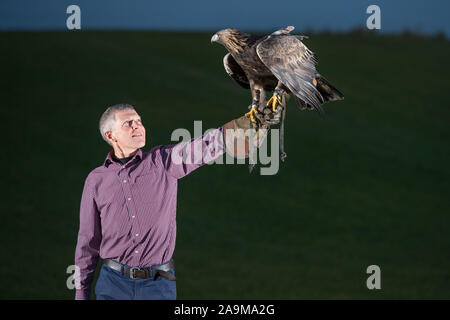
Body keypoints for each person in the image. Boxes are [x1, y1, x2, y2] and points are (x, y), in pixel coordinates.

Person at [74, 103, 280, 300]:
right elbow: (87, 243)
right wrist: (81, 295)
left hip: (158, 284)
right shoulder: (96, 181)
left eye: (139, 121)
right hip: (113, 285)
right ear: (110, 135)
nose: (138, 126)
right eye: (128, 123)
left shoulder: (163, 162)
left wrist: (242, 127)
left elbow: (200, 149)